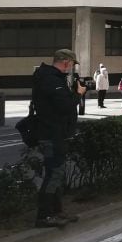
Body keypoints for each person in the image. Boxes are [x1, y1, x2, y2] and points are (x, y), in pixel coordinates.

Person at [32, 49, 86, 228]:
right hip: (51, 134)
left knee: (57, 173)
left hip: (55, 133)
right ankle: (44, 215)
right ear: (65, 62)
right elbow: (64, 106)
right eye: (71, 64)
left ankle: (56, 211)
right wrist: (78, 94)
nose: (71, 67)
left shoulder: (52, 78)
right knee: (54, 174)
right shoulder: (51, 79)